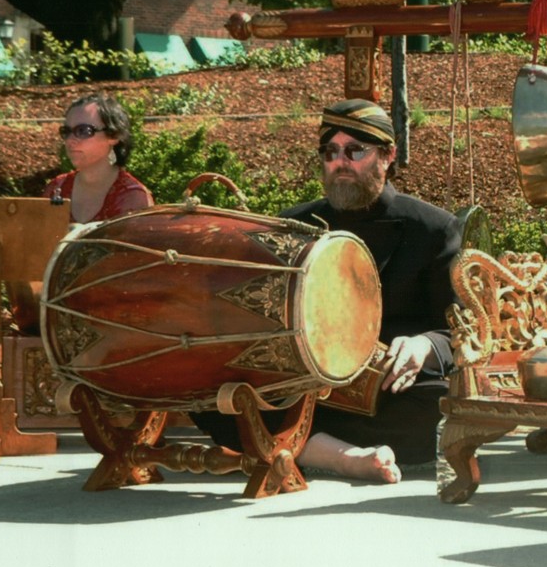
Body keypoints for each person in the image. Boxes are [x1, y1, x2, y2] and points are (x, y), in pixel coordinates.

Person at [193, 99, 461, 484]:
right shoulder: (292, 226)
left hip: (383, 392)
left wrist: (425, 345)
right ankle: (345, 458)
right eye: (330, 152)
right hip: (303, 386)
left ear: (387, 156)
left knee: (442, 405)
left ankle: (303, 448)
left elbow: (459, 332)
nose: (340, 163)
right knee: (213, 396)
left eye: (355, 151)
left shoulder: (434, 229)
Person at [42, 93, 153, 222]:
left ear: (113, 136)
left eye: (83, 131)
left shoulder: (132, 197)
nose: (70, 140)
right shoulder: (56, 189)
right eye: (66, 132)